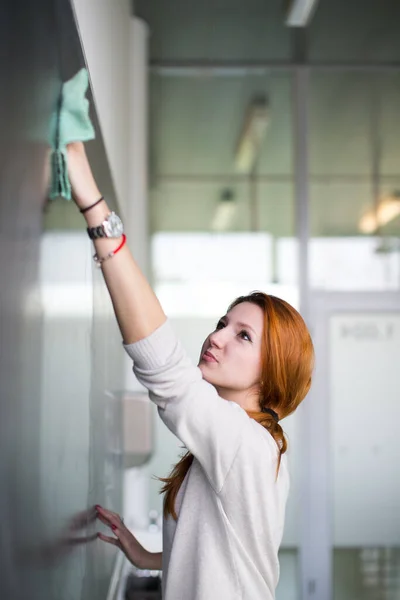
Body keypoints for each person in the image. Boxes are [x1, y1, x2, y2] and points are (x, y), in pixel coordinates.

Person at [66, 141, 314, 600]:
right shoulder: (250, 445)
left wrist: (94, 209)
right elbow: (225, 551)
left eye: (243, 336)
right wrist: (149, 557)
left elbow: (164, 369)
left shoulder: (248, 446)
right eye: (224, 323)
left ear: (273, 371)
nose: (216, 337)